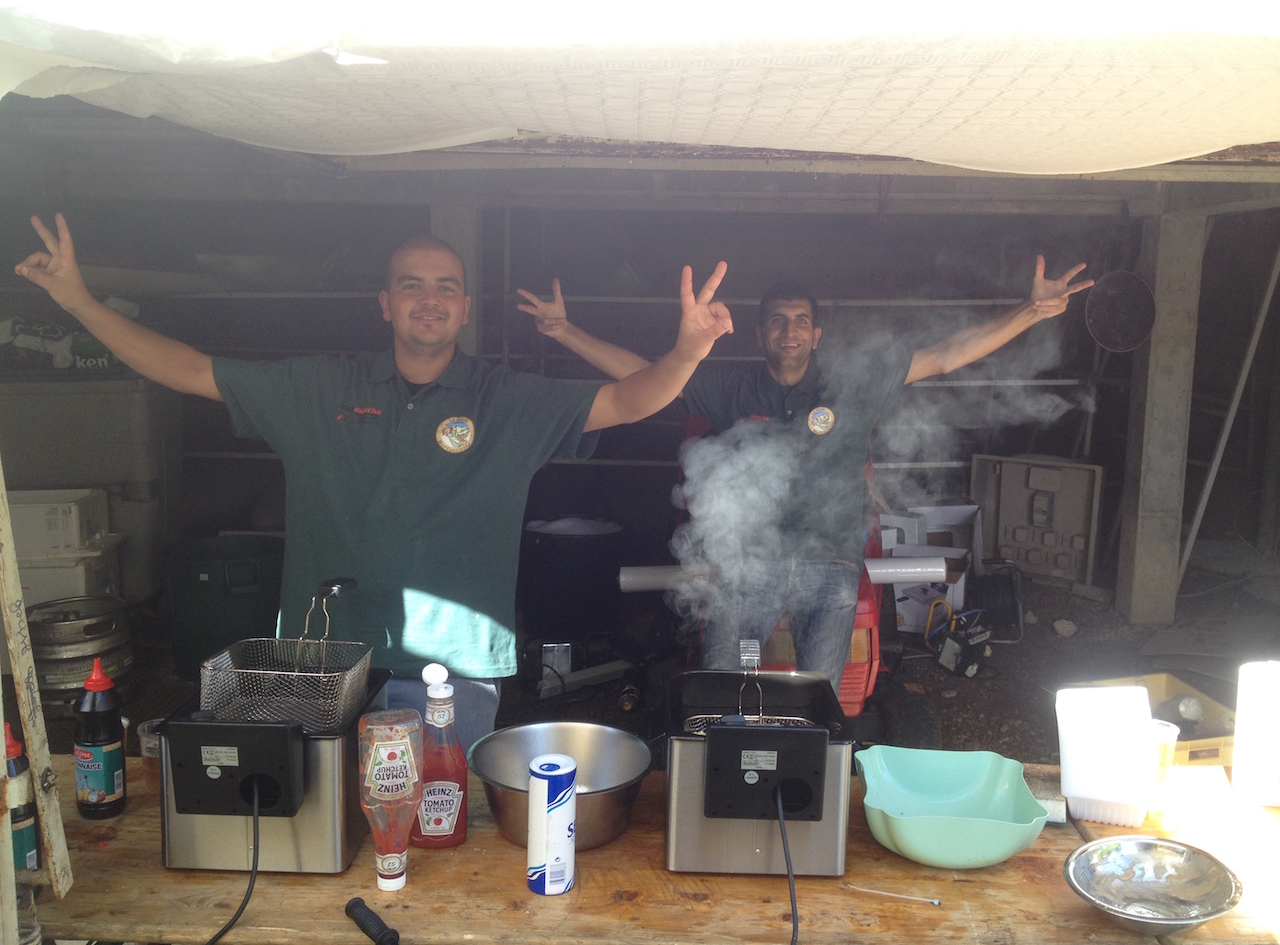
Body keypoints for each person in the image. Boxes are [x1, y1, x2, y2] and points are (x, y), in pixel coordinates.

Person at [15, 214, 733, 751]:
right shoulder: (320, 387)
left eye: (446, 286)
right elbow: (187, 369)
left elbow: (630, 400)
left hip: (452, 671)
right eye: (411, 284)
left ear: (465, 307)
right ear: (384, 302)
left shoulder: (508, 400)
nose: (430, 298)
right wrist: (79, 302)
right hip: (322, 663)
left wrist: (687, 353)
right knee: (316, 829)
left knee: (436, 838)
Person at [516, 257, 1093, 690]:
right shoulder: (731, 386)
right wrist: (564, 332)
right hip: (751, 567)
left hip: (830, 567)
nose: (789, 331)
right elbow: (643, 375)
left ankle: (804, 783)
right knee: (725, 688)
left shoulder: (852, 382)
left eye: (800, 322)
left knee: (819, 700)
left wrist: (1031, 312)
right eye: (777, 321)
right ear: (760, 333)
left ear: (816, 335)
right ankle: (727, 773)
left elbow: (945, 356)